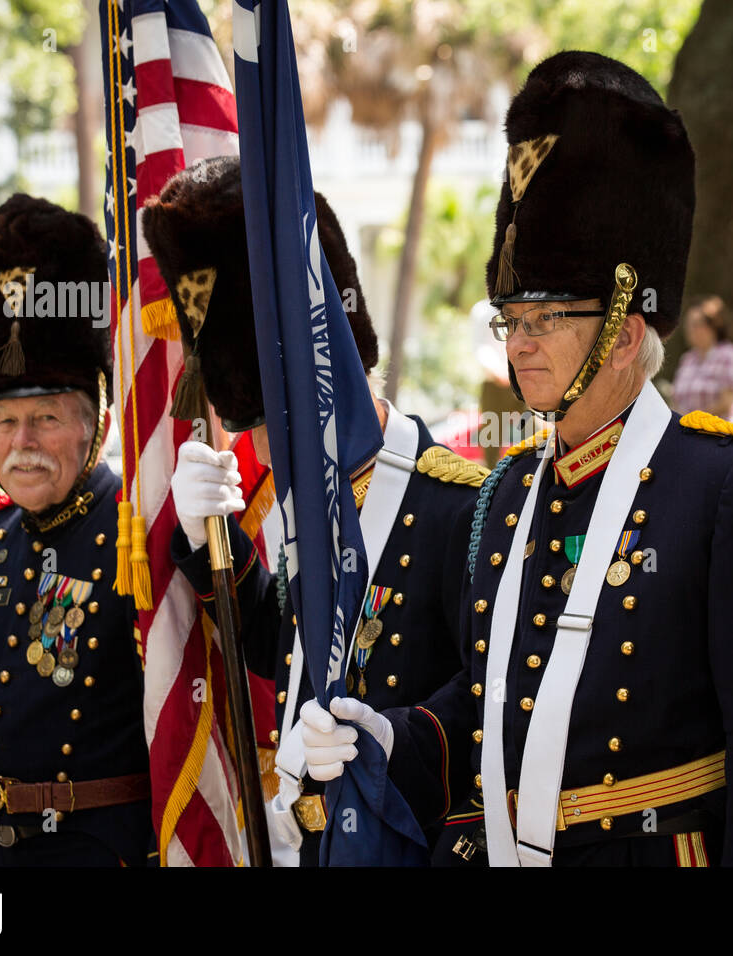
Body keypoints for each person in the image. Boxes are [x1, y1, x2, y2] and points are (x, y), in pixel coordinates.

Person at [304, 51, 733, 867]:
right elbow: (486, 702)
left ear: (625, 334)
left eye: (545, 318)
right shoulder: (507, 492)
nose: (518, 344)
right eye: (509, 319)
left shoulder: (727, 485)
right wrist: (383, 734)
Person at [142, 156, 481, 865]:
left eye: (274, 429)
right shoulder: (314, 506)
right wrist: (215, 545)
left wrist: (395, 737)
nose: (262, 452)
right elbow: (286, 646)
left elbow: (500, 695)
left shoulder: (459, 506)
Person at [0, 194, 152, 865]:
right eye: (5, 421)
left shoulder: (136, 532)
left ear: (92, 421)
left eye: (46, 418)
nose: (22, 443)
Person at [671, 295, 733, 424]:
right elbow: (676, 401)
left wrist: (694, 421)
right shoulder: (687, 359)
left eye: (696, 324)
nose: (690, 330)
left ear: (713, 326)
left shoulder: (730, 356)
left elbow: (727, 402)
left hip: (721, 435)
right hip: (689, 434)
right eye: (688, 325)